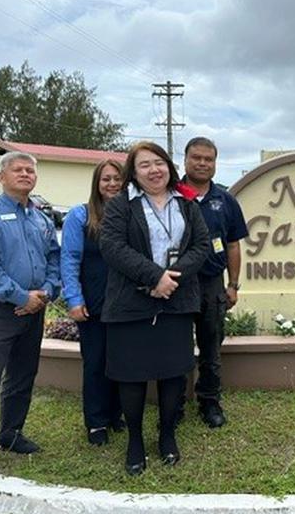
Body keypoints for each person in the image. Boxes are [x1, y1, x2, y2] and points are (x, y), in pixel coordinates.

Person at [100, 141, 209, 475]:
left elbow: (202, 245)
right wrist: (154, 277)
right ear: (134, 172)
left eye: (159, 162)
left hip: (176, 301)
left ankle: (166, 434)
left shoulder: (187, 202)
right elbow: (112, 246)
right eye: (144, 164)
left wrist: (171, 278)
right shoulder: (122, 205)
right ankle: (135, 440)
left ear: (169, 166)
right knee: (132, 375)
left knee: (173, 372)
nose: (154, 170)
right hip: (131, 304)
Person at [0, 151, 60, 484]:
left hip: (34, 309)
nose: (25, 174)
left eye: (30, 170)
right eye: (17, 169)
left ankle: (11, 434)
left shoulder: (41, 219)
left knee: (22, 376)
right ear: (1, 177)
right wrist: (22, 297)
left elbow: (53, 259)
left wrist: (45, 292)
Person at [180, 137, 249, 428]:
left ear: (215, 163)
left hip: (211, 283)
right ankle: (176, 404)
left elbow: (233, 245)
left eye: (208, 159)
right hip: (178, 284)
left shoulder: (225, 200)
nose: (202, 163)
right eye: (196, 157)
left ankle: (209, 401)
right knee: (177, 347)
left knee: (211, 347)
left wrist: (232, 285)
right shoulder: (172, 195)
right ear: (185, 159)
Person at [60, 159, 126, 446]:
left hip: (125, 304)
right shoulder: (80, 215)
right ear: (96, 184)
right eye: (106, 179)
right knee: (96, 362)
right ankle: (96, 422)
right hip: (94, 302)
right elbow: (70, 258)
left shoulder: (130, 213)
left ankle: (115, 413)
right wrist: (73, 299)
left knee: (121, 361)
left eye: (117, 178)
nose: (112, 184)